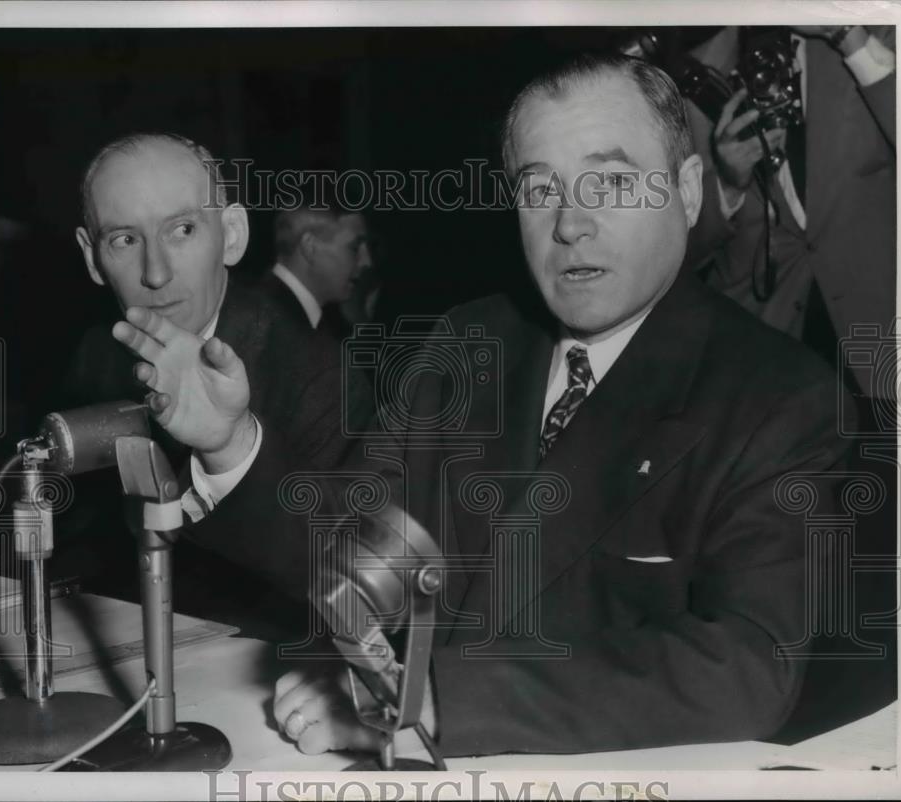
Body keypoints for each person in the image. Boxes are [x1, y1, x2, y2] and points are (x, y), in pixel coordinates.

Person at [112, 55, 850, 756]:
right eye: (539, 189)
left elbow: (749, 667)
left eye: (611, 185)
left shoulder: (778, 394)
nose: (569, 224)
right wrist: (230, 442)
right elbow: (348, 546)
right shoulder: (467, 343)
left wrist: (426, 700)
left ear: (688, 192)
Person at [61, 132, 373, 634]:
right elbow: (78, 539)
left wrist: (229, 446)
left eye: (182, 230)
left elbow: (345, 582)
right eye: (124, 240)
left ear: (231, 235)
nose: (156, 273)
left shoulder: (322, 376)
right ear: (92, 258)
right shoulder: (97, 356)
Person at [684, 25, 895, 414]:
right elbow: (671, 250)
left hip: (882, 336)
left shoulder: (875, 30)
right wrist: (727, 186)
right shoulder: (691, 73)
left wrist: (847, 34)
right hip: (765, 358)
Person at [269, 204, 373, 332]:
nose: (367, 262)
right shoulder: (264, 319)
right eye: (354, 248)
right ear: (310, 247)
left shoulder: (276, 313)